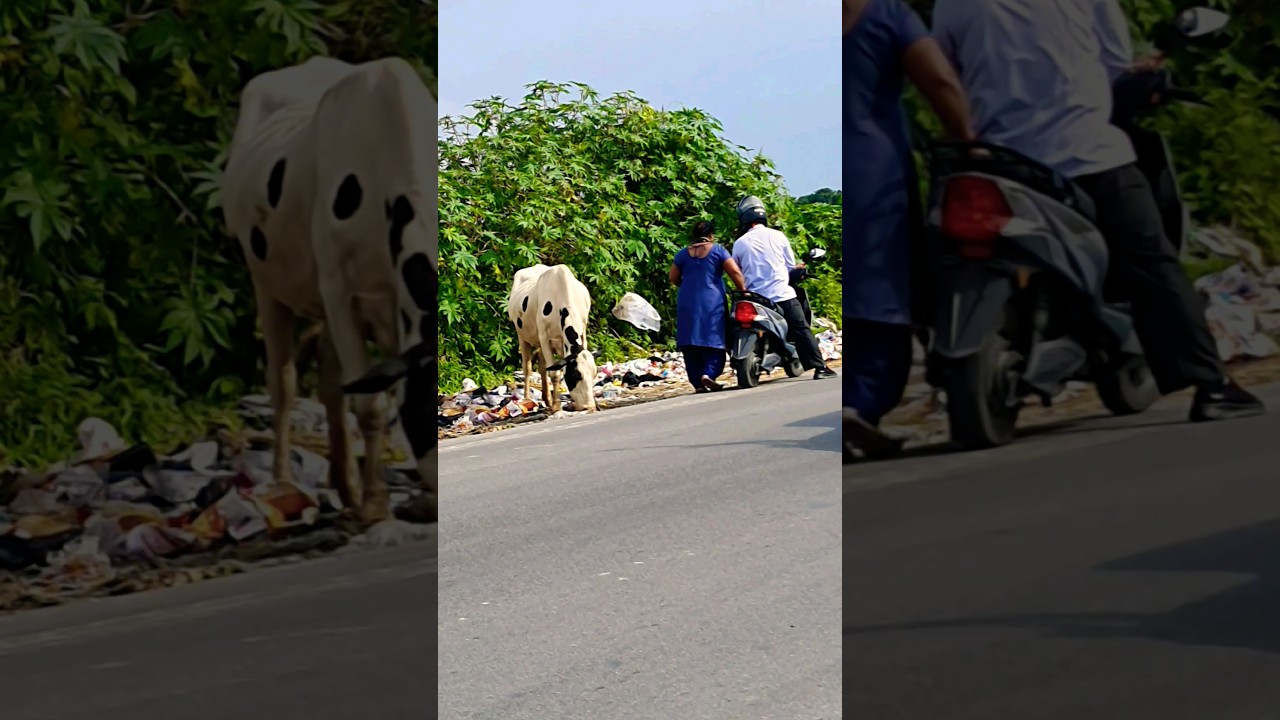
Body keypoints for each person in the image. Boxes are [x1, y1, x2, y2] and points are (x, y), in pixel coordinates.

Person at [931, 0, 1264, 423]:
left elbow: (944, 75)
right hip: (1087, 156)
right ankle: (1211, 385)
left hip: (999, 160)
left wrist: (967, 135)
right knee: (1152, 263)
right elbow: (1114, 69)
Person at [843, 0, 976, 458]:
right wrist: (967, 141)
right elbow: (939, 80)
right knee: (884, 294)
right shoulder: (887, 16)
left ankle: (852, 407)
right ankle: (860, 403)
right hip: (875, 176)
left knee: (854, 288)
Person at [730, 196, 837, 381]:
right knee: (801, 329)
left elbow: (737, 272)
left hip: (754, 298)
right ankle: (820, 368)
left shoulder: (739, 243)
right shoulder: (778, 236)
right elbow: (789, 267)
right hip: (781, 295)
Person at [670, 220, 747, 393]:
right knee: (714, 338)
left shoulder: (682, 254)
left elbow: (673, 277)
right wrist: (743, 291)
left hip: (687, 301)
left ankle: (697, 383)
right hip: (712, 302)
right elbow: (734, 271)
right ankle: (708, 373)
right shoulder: (718, 250)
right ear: (711, 235)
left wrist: (687, 285)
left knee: (690, 341)